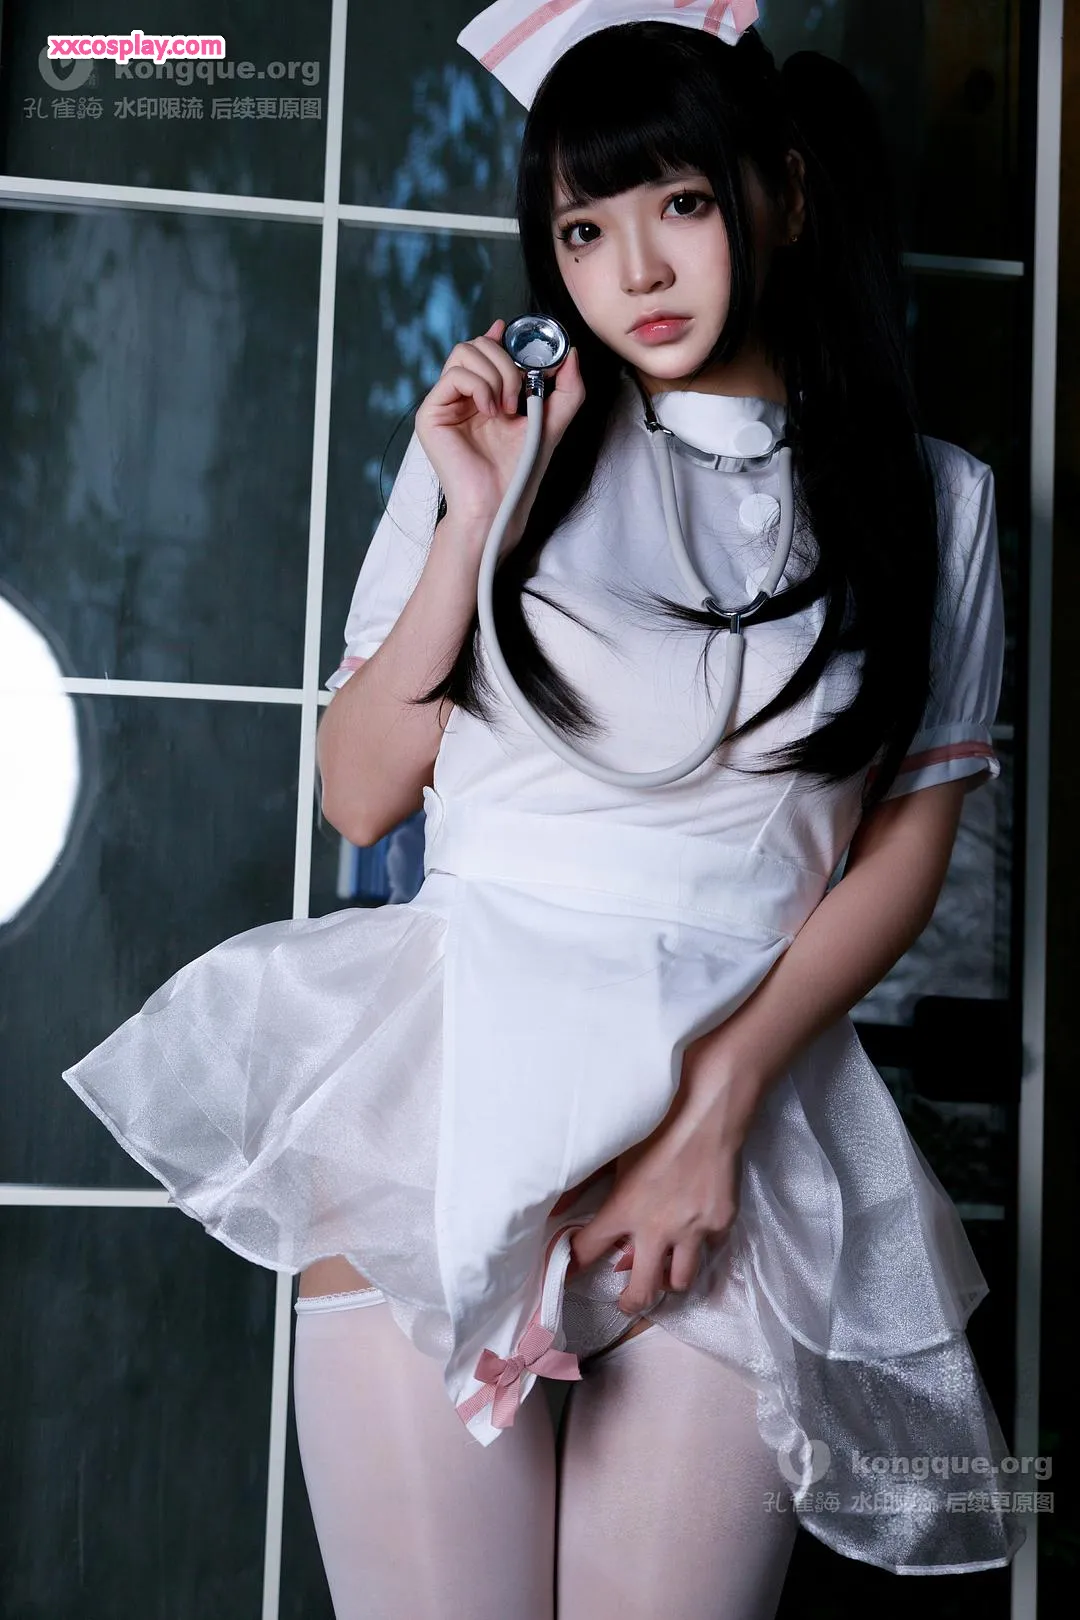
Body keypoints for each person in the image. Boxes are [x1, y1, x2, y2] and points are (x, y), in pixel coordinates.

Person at [62, 3, 1026, 1615]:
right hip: (446, 1106)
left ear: (783, 193)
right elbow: (361, 789)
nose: (636, 270)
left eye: (682, 204)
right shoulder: (505, 447)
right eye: (585, 228)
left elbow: (904, 857)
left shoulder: (935, 503)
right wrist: (472, 519)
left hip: (726, 1155)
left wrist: (711, 1114)